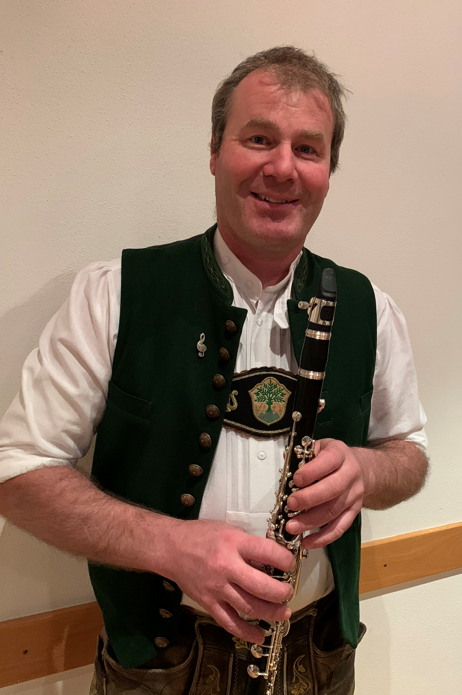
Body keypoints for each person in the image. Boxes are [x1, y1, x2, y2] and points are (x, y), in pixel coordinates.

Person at [0, 47, 427, 694]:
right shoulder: (114, 294)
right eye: (258, 139)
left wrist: (367, 470)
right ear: (214, 151)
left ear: (328, 172)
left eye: (308, 149)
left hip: (318, 662)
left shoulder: (370, 308)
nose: (282, 167)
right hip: (158, 671)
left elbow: (410, 454)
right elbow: (17, 472)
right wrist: (170, 545)